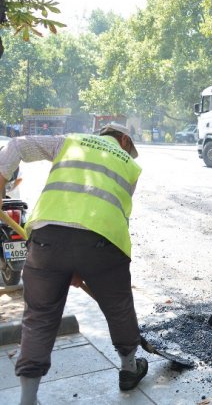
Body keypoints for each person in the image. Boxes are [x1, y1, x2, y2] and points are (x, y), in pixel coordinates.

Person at [0, 123, 146, 404]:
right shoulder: (130, 165)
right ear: (125, 140)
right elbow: (109, 212)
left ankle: (27, 399)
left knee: (39, 318)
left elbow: (16, 145)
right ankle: (129, 368)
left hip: (47, 240)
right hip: (104, 243)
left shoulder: (68, 141)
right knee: (118, 306)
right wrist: (81, 266)